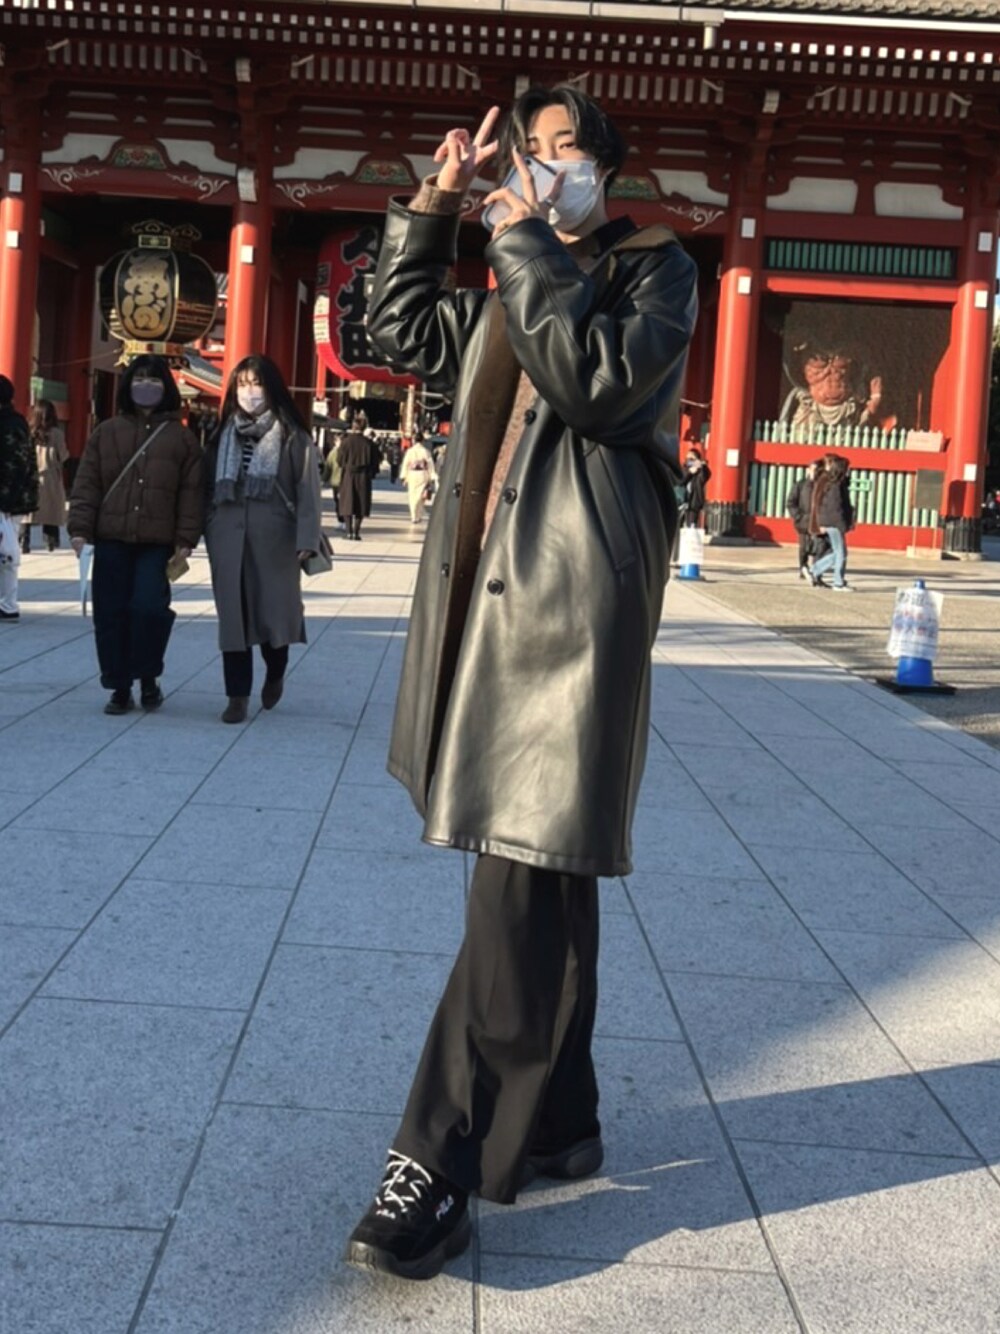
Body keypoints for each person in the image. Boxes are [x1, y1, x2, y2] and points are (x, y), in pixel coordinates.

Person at [344, 85, 697, 1281]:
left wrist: (520, 241)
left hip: (574, 609)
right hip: (492, 608)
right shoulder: (513, 272)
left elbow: (594, 381)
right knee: (548, 869)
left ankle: (433, 1159)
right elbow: (398, 329)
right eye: (528, 153)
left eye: (562, 150)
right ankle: (561, 1120)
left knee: (516, 881)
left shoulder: (653, 273)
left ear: (604, 166)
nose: (542, 169)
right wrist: (440, 201)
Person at [68, 357, 201, 710]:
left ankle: (148, 676)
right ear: (127, 385)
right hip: (111, 538)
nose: (146, 386)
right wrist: (80, 528)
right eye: (139, 379)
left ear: (166, 387)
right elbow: (87, 484)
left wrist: (186, 539)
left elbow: (191, 494)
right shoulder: (106, 432)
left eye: (154, 380)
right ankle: (119, 685)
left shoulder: (182, 439)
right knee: (111, 613)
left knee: (149, 609)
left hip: (156, 543)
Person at [204, 354, 322, 724]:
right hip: (228, 537)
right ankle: (236, 696)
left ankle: (275, 670)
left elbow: (308, 490)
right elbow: (204, 487)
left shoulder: (293, 436)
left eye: (256, 384)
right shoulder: (221, 434)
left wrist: (307, 538)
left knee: (274, 618)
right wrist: (206, 526)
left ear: (271, 388)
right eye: (242, 384)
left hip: (276, 540)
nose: (249, 392)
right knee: (233, 621)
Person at [0, 375, 37, 624]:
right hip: (10, 498)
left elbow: (16, 467)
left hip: (7, 501)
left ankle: (7, 604)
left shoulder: (10, 425)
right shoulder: (12, 422)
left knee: (6, 554)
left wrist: (4, 502)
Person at [22, 399, 69, 553]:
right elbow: (63, 455)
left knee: (28, 513)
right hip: (51, 477)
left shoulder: (28, 432)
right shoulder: (57, 434)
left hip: (31, 476)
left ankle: (24, 542)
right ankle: (51, 542)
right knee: (51, 511)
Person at [808, 453, 855, 591]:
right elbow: (835, 506)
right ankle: (836, 582)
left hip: (829, 521)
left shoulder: (831, 481)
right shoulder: (833, 484)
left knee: (840, 552)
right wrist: (841, 524)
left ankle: (815, 570)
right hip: (834, 522)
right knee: (840, 553)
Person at [336, 411, 378, 541]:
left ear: (353, 427)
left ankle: (348, 531)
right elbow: (375, 462)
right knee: (361, 503)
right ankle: (356, 531)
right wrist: (371, 473)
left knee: (347, 503)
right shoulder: (369, 444)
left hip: (348, 475)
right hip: (363, 476)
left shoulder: (346, 442)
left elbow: (339, 460)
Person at [786, 459, 828, 579]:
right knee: (804, 547)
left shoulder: (824, 485)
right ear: (808, 470)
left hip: (819, 521)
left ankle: (816, 571)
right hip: (804, 521)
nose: (814, 472)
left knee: (820, 547)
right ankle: (803, 567)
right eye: (812, 469)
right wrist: (798, 516)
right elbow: (791, 502)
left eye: (817, 470)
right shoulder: (800, 485)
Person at [399, 432, 437, 526]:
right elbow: (430, 465)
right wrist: (432, 475)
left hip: (412, 474)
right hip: (422, 474)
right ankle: (419, 515)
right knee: (421, 496)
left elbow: (406, 464)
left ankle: (413, 516)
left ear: (414, 440)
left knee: (412, 495)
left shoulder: (410, 451)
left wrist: (403, 476)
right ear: (422, 440)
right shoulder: (425, 451)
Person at [679, 444, 711, 527]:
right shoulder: (684, 468)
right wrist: (690, 472)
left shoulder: (701, 472)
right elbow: (680, 481)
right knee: (679, 523)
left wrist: (701, 465)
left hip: (694, 502)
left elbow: (706, 475)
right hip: (683, 500)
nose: (689, 461)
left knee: (691, 525)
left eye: (692, 459)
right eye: (688, 458)